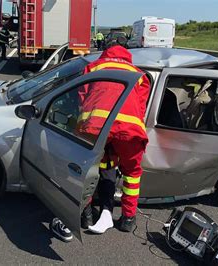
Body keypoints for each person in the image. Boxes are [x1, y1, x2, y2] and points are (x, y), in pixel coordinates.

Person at [50, 36, 151, 241]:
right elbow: (141, 108)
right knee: (132, 174)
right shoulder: (139, 74)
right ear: (125, 50)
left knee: (88, 171)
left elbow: (82, 100)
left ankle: (85, 214)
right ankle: (128, 219)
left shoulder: (93, 67)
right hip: (129, 132)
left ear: (106, 49)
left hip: (96, 128)